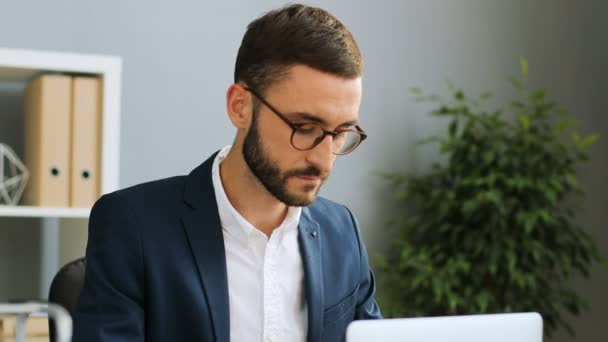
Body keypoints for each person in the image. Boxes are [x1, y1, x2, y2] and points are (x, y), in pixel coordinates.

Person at [73, 3, 381, 342]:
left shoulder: (342, 231)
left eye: (340, 134)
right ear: (240, 107)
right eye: (305, 127)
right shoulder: (133, 225)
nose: (324, 161)